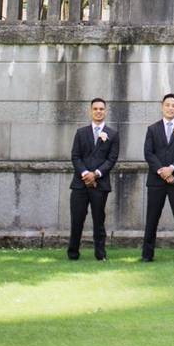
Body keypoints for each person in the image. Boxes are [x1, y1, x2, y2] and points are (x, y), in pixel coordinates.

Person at [141, 93, 174, 262]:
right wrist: (162, 172)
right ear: (162, 106)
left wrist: (171, 169)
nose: (170, 108)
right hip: (156, 181)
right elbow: (148, 153)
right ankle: (147, 255)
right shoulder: (152, 129)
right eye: (167, 105)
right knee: (152, 218)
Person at [67, 97, 119, 261]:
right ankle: (73, 253)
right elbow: (75, 156)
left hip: (100, 183)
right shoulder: (81, 133)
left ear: (105, 111)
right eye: (95, 109)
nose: (98, 111)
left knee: (99, 220)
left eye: (101, 109)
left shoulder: (113, 134)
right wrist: (85, 174)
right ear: (91, 111)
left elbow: (111, 159)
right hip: (80, 184)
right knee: (77, 219)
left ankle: (100, 253)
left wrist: (95, 174)